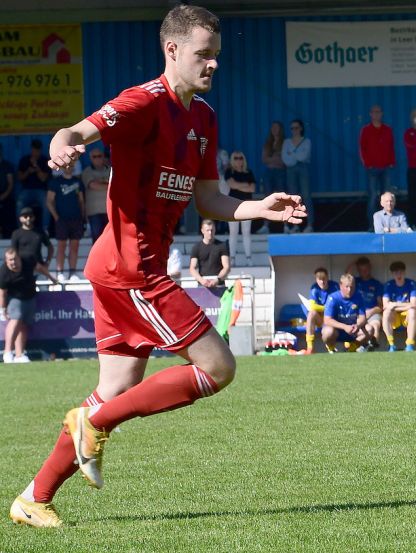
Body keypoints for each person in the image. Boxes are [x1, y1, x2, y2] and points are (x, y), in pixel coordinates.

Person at [9, 5, 307, 529]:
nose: (213, 64)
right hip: (133, 269)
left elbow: (210, 198)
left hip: (124, 266)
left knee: (116, 388)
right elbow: (75, 132)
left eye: (216, 55)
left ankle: (34, 497)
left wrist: (257, 207)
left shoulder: (205, 119)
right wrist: (63, 148)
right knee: (218, 367)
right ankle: (92, 424)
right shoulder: (142, 102)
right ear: (172, 50)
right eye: (203, 55)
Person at [46, 164, 86, 282]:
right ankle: (60, 272)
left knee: (74, 247)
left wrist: (83, 217)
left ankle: (72, 272)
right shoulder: (55, 182)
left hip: (76, 219)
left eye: (71, 166)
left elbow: (81, 201)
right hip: (62, 220)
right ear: (62, 168)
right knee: (61, 247)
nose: (69, 167)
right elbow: (49, 201)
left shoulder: (77, 182)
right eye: (66, 166)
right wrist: (56, 217)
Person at [359, 105, 395, 228]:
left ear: (382, 113)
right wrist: (367, 164)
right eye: (374, 112)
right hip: (372, 168)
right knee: (373, 196)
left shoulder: (387, 129)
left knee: (387, 198)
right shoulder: (366, 130)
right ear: (370, 114)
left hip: (386, 167)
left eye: (378, 112)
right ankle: (372, 225)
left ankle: (387, 224)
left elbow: (391, 147)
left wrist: (392, 162)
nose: (376, 114)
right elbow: (362, 148)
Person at [1, 249, 36, 363]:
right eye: (10, 260)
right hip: (14, 298)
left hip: (30, 297)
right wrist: (2, 309)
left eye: (15, 259)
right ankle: (7, 352)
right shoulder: (3, 273)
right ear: (6, 261)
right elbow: (2, 293)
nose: (13, 262)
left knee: (24, 325)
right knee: (16, 319)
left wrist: (51, 278)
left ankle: (19, 354)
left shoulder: (28, 262)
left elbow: (40, 268)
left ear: (19, 258)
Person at [322, 273, 369, 353]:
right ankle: (331, 348)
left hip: (353, 330)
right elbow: (327, 320)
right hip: (337, 331)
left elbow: (362, 317)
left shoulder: (358, 297)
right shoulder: (333, 298)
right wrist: (344, 327)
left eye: (352, 287)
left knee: (370, 329)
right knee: (327, 332)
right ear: (341, 286)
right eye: (347, 287)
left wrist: (357, 325)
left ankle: (352, 349)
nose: (349, 290)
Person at [224, 151, 256, 264]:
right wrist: (245, 185)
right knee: (233, 232)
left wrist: (238, 185)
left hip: (247, 204)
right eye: (236, 158)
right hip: (232, 205)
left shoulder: (249, 172)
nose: (239, 160)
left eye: (241, 158)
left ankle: (249, 258)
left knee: (246, 232)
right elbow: (231, 185)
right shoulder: (229, 172)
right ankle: (232, 258)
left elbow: (252, 188)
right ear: (232, 160)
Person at [10, 207, 56, 283]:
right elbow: (13, 252)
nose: (28, 218)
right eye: (25, 216)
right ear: (20, 218)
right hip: (23, 269)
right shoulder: (16, 234)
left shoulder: (40, 232)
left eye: (30, 216)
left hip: (40, 268)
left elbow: (50, 247)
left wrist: (47, 262)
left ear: (34, 218)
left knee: (44, 291)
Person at [282, 118, 312, 233]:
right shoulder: (286, 142)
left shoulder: (307, 141)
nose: (294, 130)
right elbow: (285, 159)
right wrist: (297, 155)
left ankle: (309, 224)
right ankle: (295, 225)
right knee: (293, 197)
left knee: (306, 195)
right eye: (292, 128)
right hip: (290, 170)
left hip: (304, 168)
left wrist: (292, 154)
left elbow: (304, 157)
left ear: (301, 128)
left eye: (296, 127)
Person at [381, 260, 416, 352]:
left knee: (412, 312)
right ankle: (391, 344)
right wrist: (406, 305)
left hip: (406, 315)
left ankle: (409, 344)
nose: (399, 275)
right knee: (386, 313)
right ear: (392, 274)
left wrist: (395, 304)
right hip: (394, 315)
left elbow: (414, 305)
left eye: (401, 272)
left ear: (404, 272)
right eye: (396, 272)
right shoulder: (388, 285)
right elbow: (386, 305)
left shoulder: (411, 284)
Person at [17, 139, 52, 233]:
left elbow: (43, 179)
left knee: (46, 204)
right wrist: (28, 171)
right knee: (19, 203)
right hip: (27, 190)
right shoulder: (24, 159)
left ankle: (45, 229)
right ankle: (21, 228)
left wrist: (37, 168)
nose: (35, 152)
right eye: (34, 149)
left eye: (37, 150)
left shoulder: (44, 160)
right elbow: (20, 177)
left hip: (40, 190)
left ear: (40, 150)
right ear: (31, 149)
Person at [303, 267, 340, 354]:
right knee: (311, 314)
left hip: (332, 318)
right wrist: (326, 307)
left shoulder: (335, 286)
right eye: (319, 279)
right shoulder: (314, 288)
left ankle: (334, 347)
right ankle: (310, 347)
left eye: (324, 279)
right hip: (320, 318)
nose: (322, 282)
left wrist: (326, 308)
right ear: (316, 279)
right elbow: (312, 306)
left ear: (327, 277)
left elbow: (338, 303)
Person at [259, 120, 286, 234]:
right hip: (269, 172)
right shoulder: (267, 143)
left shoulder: (285, 142)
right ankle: (266, 225)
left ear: (280, 129)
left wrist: (274, 159)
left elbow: (284, 161)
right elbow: (264, 159)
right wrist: (276, 158)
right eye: (273, 127)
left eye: (277, 127)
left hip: (280, 172)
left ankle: (286, 225)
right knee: (267, 198)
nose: (275, 129)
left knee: (283, 198)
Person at [352, 256, 384, 348]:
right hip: (357, 313)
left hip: (372, 313)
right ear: (358, 270)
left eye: (366, 269)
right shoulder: (355, 282)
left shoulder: (376, 284)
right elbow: (346, 275)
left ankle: (372, 348)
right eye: (361, 269)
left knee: (375, 325)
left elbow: (380, 306)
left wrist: (370, 312)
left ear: (370, 268)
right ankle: (354, 346)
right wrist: (354, 262)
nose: (364, 271)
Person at [189, 219, 230, 291]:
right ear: (202, 230)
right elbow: (192, 268)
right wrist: (201, 280)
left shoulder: (222, 246)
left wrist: (217, 280)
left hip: (219, 284)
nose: (210, 232)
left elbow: (226, 267)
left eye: (212, 230)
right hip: (202, 284)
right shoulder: (196, 247)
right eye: (207, 230)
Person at [81, 147, 111, 242]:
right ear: (91, 158)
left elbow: (117, 184)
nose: (97, 158)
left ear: (103, 157)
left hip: (110, 211)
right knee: (97, 239)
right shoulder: (87, 171)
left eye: (99, 156)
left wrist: (100, 182)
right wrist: (108, 184)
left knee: (110, 240)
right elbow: (93, 185)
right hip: (94, 212)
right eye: (95, 156)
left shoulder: (111, 170)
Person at [0, 145, 16, 238]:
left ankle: (8, 235)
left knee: (8, 209)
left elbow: (10, 184)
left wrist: (3, 196)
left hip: (6, 195)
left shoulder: (7, 165)